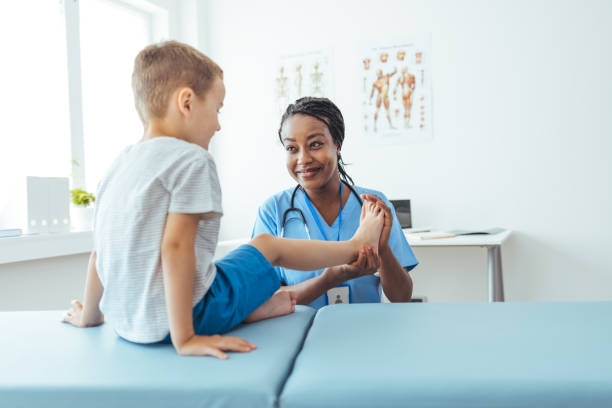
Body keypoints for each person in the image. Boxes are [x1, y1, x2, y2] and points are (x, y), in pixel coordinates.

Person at [61, 41, 388, 359]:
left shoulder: (120, 165)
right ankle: (356, 244)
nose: (218, 125)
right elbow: (176, 248)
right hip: (189, 319)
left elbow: (99, 254)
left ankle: (265, 307)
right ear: (187, 102)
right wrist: (185, 338)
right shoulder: (190, 160)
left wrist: (90, 315)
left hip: (130, 325)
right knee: (266, 246)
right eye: (216, 109)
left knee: (225, 269)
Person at [252, 97, 418, 310]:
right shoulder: (273, 211)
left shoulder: (373, 207)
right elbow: (266, 300)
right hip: (301, 337)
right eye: (292, 148)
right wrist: (330, 278)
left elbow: (401, 298)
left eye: (315, 144)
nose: (303, 158)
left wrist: (383, 249)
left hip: (368, 334)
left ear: (337, 144)